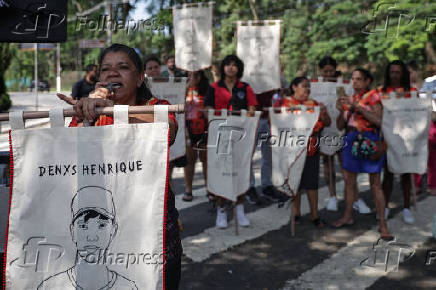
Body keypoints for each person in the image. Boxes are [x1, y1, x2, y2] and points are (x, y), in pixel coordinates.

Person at [57, 44, 181, 290]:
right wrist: (83, 117)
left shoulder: (158, 104)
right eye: (106, 69)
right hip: (105, 226)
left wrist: (113, 111)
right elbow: (70, 155)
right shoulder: (92, 113)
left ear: (139, 78)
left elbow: (167, 129)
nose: (113, 74)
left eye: (123, 67)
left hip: (152, 224)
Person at [332, 68, 393, 240]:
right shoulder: (349, 98)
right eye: (353, 79)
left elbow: (379, 121)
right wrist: (340, 111)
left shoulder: (373, 97)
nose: (355, 82)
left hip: (370, 139)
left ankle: (383, 225)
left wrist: (356, 106)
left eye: (359, 79)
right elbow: (339, 126)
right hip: (350, 138)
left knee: (375, 184)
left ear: (367, 81)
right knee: (349, 181)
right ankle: (347, 216)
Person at [38, 186, 138, 290]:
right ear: (72, 231)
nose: (91, 237)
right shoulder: (50, 287)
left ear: (113, 230)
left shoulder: (128, 287)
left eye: (101, 226)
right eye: (83, 226)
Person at [204, 54, 258, 229]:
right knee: (221, 171)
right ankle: (221, 210)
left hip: (241, 135)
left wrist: (243, 118)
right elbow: (207, 110)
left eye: (234, 65)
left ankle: (240, 208)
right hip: (220, 134)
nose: (231, 67)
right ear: (223, 68)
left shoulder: (246, 87)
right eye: (227, 64)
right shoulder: (214, 87)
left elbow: (251, 109)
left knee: (241, 170)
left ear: (239, 68)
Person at [273, 76, 331, 227]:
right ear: (294, 87)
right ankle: (296, 212)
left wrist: (324, 114)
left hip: (311, 147)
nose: (307, 89)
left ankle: (315, 215)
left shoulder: (315, 104)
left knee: (312, 182)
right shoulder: (282, 103)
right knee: (295, 180)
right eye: (304, 86)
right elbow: (273, 122)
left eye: (308, 86)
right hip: (291, 148)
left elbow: (327, 123)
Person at [380, 60, 418, 224]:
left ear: (403, 74)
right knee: (388, 174)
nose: (395, 75)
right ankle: (385, 207)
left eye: (398, 72)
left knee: (405, 174)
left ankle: (407, 208)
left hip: (406, 137)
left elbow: (418, 114)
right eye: (392, 72)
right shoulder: (382, 91)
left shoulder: (412, 92)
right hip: (388, 137)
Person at [318, 56, 341, 211]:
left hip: (341, 126)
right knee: (328, 162)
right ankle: (332, 195)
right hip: (324, 128)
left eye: (331, 71)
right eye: (325, 71)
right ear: (321, 72)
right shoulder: (316, 86)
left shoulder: (342, 84)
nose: (328, 74)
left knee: (346, 163)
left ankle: (354, 196)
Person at [183, 70, 209, 202]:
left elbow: (212, 107)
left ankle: (209, 189)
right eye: (189, 74)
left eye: (196, 74)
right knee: (189, 162)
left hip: (204, 129)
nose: (192, 77)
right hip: (188, 129)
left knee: (206, 161)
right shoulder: (184, 88)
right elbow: (177, 102)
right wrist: (188, 85)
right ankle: (188, 189)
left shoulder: (207, 89)